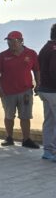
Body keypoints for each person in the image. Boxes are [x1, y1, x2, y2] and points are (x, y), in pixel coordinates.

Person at [0, 30, 40, 148]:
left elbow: (36, 70)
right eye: (8, 41)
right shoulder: (2, 55)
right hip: (7, 92)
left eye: (13, 41)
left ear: (20, 41)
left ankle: (26, 140)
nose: (10, 44)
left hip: (25, 91)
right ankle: (9, 138)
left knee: (25, 116)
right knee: (9, 115)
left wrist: (38, 84)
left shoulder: (31, 53)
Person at [39, 24, 56, 160]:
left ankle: (48, 151)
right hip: (53, 90)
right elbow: (54, 70)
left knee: (49, 120)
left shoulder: (45, 48)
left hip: (45, 90)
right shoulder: (55, 49)